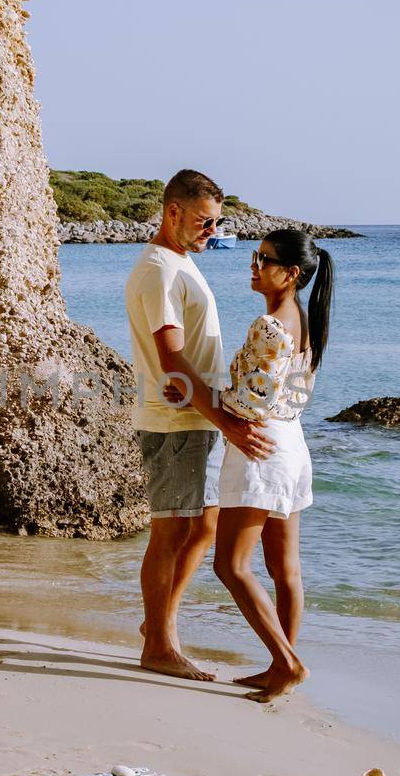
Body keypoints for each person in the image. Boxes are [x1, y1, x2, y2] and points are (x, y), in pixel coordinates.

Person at [124, 170, 275, 681]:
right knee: (169, 531)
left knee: (202, 528)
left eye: (217, 222)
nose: (213, 231)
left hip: (195, 412)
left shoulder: (179, 262)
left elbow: (186, 355)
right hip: (175, 419)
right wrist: (227, 423)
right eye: (204, 221)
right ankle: (160, 644)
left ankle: (158, 626)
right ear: (172, 213)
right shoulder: (160, 270)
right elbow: (171, 359)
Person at [212, 229, 335, 701]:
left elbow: (250, 403)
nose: (254, 266)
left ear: (292, 273)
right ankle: (279, 665)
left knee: (231, 565)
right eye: (254, 257)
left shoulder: (270, 326)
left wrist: (202, 398)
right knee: (286, 570)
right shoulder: (304, 321)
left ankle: (286, 663)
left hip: (260, 449)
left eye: (264, 260)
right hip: (292, 445)